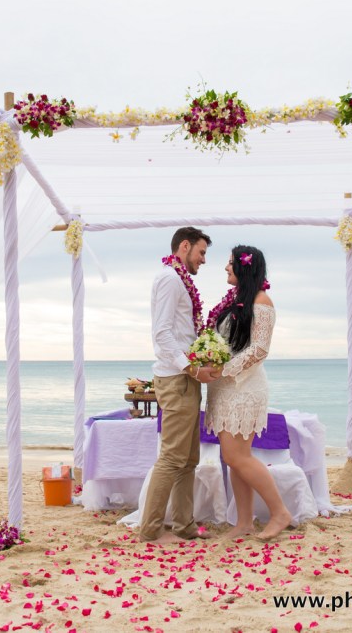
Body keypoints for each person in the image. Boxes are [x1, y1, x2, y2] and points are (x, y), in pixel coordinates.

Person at [139, 226, 219, 545]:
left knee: (188, 459)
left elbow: (182, 332)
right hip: (177, 378)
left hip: (186, 378)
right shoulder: (170, 279)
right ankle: (150, 531)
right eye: (201, 252)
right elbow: (162, 334)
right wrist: (191, 368)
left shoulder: (178, 280)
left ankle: (184, 524)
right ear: (184, 247)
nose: (203, 260)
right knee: (173, 458)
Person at [205, 245, 291, 541]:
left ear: (245, 267)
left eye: (230, 263)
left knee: (237, 455)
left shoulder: (262, 301)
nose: (226, 268)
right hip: (223, 389)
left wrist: (224, 370)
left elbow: (259, 349)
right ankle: (243, 523)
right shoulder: (233, 301)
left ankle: (279, 512)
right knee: (233, 457)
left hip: (244, 388)